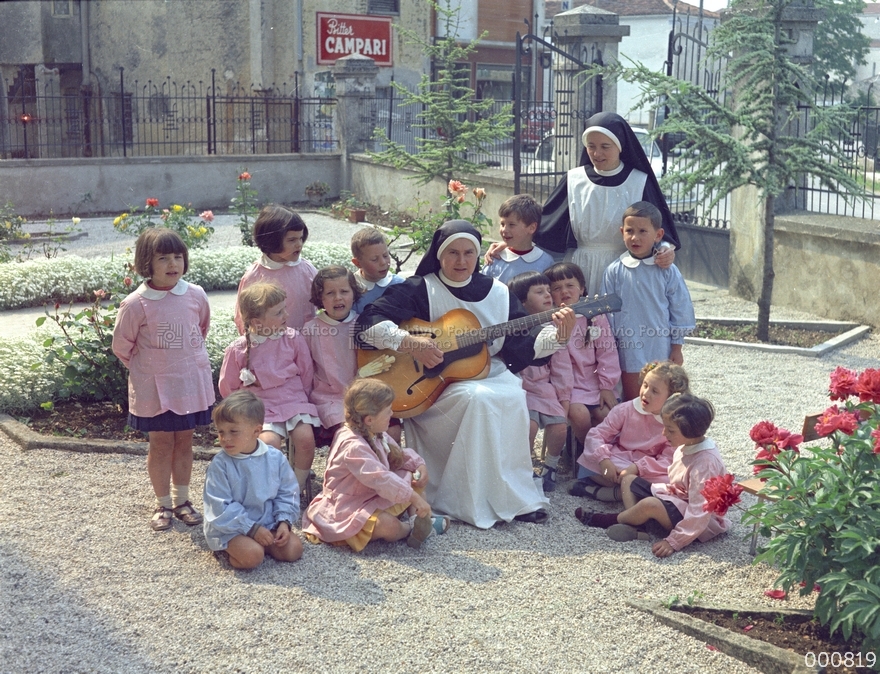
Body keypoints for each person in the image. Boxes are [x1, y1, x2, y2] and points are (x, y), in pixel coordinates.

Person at [356, 220, 576, 528]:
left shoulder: (498, 293)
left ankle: (513, 497)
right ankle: (461, 500)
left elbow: (520, 342)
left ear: (478, 254)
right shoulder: (422, 287)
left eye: (469, 253)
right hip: (436, 384)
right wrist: (410, 343)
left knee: (512, 395)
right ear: (439, 254)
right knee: (479, 400)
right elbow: (368, 322)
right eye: (453, 253)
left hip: (492, 372)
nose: (461, 261)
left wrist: (559, 337)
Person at [486, 112, 680, 294]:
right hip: (580, 268)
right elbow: (545, 226)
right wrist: (509, 243)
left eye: (605, 146)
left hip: (626, 266)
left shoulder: (639, 181)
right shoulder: (574, 179)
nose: (596, 153)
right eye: (591, 146)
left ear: (620, 146)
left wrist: (665, 248)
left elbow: (658, 227)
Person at [112, 228, 214, 531]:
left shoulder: (196, 294)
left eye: (178, 256)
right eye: (163, 258)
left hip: (190, 384)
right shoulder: (135, 304)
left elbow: (201, 330)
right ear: (147, 263)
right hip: (155, 389)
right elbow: (122, 347)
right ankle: (163, 503)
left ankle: (182, 500)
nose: (173, 264)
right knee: (159, 445)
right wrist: (152, 368)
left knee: (184, 441)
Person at [575, 393, 730, 558]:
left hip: (701, 524)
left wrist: (674, 541)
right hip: (677, 500)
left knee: (651, 504)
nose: (664, 433)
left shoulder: (705, 463)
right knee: (629, 479)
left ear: (690, 431)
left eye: (670, 430)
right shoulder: (686, 444)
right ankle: (638, 527)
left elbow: (700, 511)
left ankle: (607, 520)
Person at [302, 379, 449, 551]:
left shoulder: (374, 432)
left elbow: (397, 453)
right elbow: (381, 478)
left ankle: (418, 521)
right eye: (388, 411)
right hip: (347, 506)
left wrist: (419, 465)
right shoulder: (353, 447)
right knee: (388, 526)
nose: (392, 414)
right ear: (369, 419)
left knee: (413, 481)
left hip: (369, 495)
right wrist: (414, 498)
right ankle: (410, 529)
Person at [219, 282, 319, 495]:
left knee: (305, 438)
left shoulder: (293, 338)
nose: (286, 314)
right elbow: (228, 387)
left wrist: (305, 400)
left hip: (293, 400)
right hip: (261, 408)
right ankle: (273, 487)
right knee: (269, 443)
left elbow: (306, 372)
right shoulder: (238, 349)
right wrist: (243, 414)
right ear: (257, 321)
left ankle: (296, 487)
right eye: (278, 312)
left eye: (284, 308)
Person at [603, 201, 695, 401]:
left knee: (660, 398)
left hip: (659, 345)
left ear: (659, 235)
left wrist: (677, 346)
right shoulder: (614, 271)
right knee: (633, 400)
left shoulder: (667, 270)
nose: (635, 237)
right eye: (630, 231)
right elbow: (607, 314)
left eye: (643, 231)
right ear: (622, 232)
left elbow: (680, 307)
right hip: (628, 346)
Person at [202, 390, 304, 569]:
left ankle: (261, 542)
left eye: (234, 431)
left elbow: (288, 491)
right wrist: (251, 529)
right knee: (252, 557)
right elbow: (220, 506)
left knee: (293, 550)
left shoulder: (275, 458)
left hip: (266, 521)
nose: (225, 438)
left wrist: (284, 521)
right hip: (231, 527)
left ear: (256, 430)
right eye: (221, 432)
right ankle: (229, 549)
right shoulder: (220, 464)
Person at [571, 361, 689, 502]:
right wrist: (604, 460)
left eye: (655, 391)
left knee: (673, 478)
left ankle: (606, 492)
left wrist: (638, 468)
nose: (646, 393)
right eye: (645, 385)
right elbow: (597, 434)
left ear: (671, 398)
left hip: (648, 469)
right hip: (618, 460)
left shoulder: (673, 424)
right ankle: (626, 492)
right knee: (594, 459)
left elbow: (669, 459)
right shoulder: (625, 410)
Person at [507, 271, 573, 493]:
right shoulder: (513, 327)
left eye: (548, 290)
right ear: (522, 301)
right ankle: (523, 468)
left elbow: (562, 369)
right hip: (521, 388)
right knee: (529, 427)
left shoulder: (554, 330)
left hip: (544, 389)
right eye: (539, 292)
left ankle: (550, 467)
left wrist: (563, 398)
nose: (548, 295)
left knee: (560, 426)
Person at [545, 262, 620, 445]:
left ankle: (604, 452)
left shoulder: (595, 316)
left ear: (582, 288)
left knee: (606, 414)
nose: (564, 291)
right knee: (580, 415)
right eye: (557, 288)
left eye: (570, 285)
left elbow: (607, 352)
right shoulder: (550, 322)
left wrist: (606, 386)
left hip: (594, 381)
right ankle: (586, 451)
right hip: (567, 385)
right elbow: (557, 365)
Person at [302, 266, 363, 446]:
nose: (338, 298)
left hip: (361, 394)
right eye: (330, 293)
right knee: (348, 432)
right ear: (320, 297)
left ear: (354, 293)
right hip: (327, 398)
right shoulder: (311, 329)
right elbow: (305, 369)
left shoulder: (361, 323)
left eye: (344, 291)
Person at [234, 204, 317, 333]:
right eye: (292, 240)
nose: (299, 244)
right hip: (272, 348)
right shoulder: (255, 276)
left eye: (301, 238)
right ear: (272, 240)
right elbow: (243, 317)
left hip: (306, 344)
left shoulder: (307, 270)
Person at [482, 194, 555, 283]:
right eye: (502, 224)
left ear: (532, 228)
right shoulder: (494, 258)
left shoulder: (546, 262)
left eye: (511, 225)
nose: (504, 230)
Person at [350, 227, 405, 314]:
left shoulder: (400, 285)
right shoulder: (351, 289)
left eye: (385, 255)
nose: (383, 262)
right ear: (357, 263)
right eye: (374, 259)